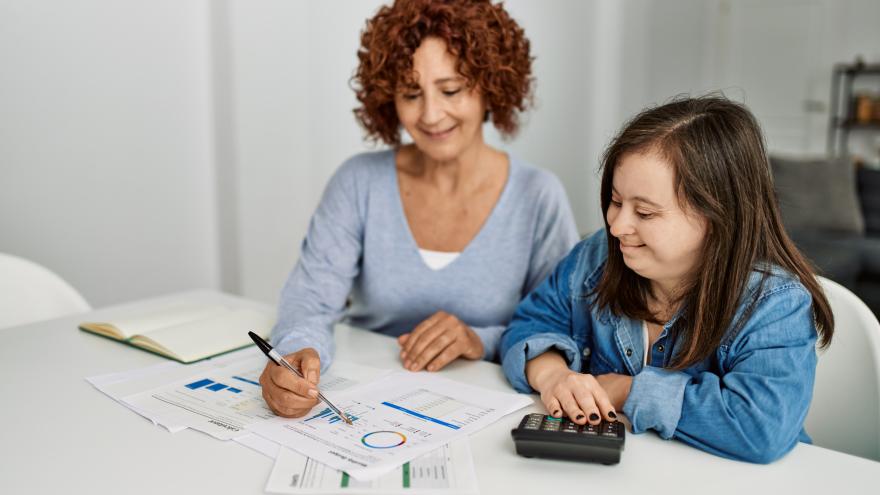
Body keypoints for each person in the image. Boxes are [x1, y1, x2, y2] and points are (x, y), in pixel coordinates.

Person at [260, 0, 579, 419]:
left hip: (488, 411)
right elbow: (310, 302)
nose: (431, 114)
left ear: (490, 86)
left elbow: (564, 330)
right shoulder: (359, 182)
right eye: (411, 94)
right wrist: (295, 354)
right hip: (363, 402)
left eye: (450, 90)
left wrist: (477, 340)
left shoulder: (538, 196)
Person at [499, 95, 834, 463]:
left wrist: (627, 391)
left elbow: (760, 428)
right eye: (615, 200)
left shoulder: (774, 303)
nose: (617, 225)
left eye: (645, 212)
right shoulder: (596, 257)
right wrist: (552, 376)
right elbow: (531, 322)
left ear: (716, 218)